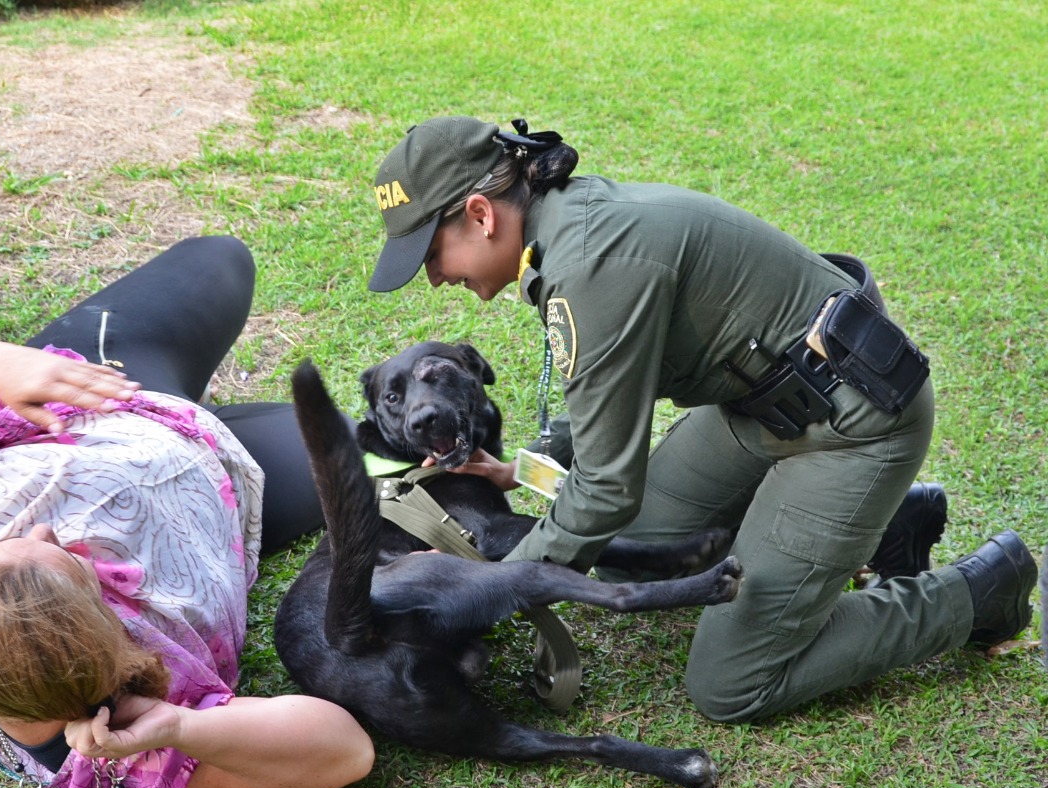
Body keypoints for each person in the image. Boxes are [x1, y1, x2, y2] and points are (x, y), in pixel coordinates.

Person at [364, 115, 1038, 723]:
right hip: (766, 405)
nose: (434, 277)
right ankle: (887, 525)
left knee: (732, 681)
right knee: (641, 549)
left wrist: (483, 589)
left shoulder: (589, 262)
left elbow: (603, 491)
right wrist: (530, 465)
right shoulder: (562, 230)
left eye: (430, 255)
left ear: (480, 214)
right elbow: (606, 397)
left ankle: (981, 592)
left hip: (855, 427)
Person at [0, 235, 373, 788]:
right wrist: (183, 726)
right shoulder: (121, 743)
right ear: (117, 640)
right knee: (356, 445)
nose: (44, 530)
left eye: (8, 545)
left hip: (99, 389)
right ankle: (213, 411)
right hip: (226, 487)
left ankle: (185, 389)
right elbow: (345, 753)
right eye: (66, 557)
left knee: (223, 258)